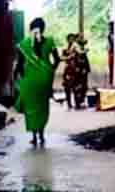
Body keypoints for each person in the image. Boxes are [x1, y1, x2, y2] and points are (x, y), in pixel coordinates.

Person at [15, 17, 60, 147]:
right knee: (42, 107)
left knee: (31, 108)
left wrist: (20, 78)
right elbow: (56, 59)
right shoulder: (50, 41)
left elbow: (19, 65)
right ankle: (41, 133)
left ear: (30, 29)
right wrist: (50, 71)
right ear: (43, 29)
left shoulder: (24, 44)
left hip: (30, 80)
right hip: (44, 79)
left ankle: (34, 136)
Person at [62, 33, 91, 110]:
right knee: (68, 87)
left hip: (76, 70)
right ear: (67, 40)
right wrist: (69, 57)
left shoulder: (77, 46)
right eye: (70, 39)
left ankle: (78, 103)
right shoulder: (67, 49)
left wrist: (84, 69)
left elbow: (83, 58)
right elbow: (62, 57)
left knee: (77, 87)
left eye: (73, 38)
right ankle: (70, 104)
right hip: (69, 70)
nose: (71, 40)